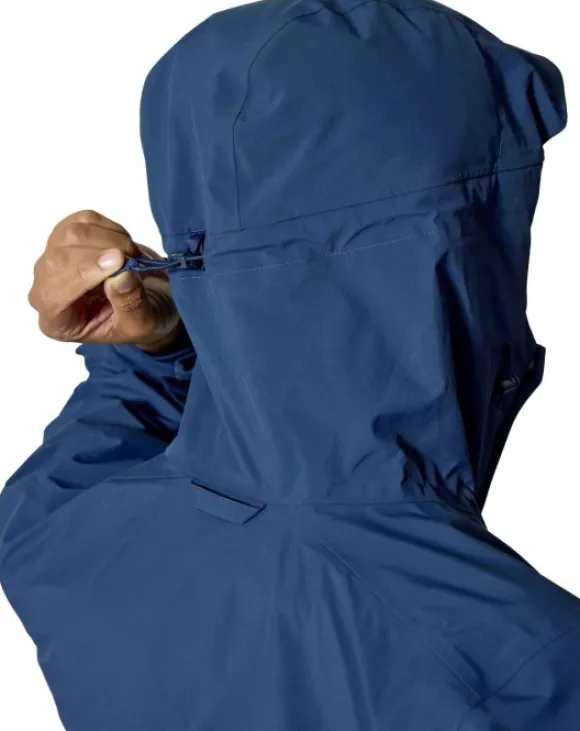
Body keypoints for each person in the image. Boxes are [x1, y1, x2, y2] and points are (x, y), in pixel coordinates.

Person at [1, 1, 579, 730]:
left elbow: (110, 434)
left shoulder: (54, 533)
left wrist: (166, 345)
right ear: (461, 249)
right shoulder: (527, 674)